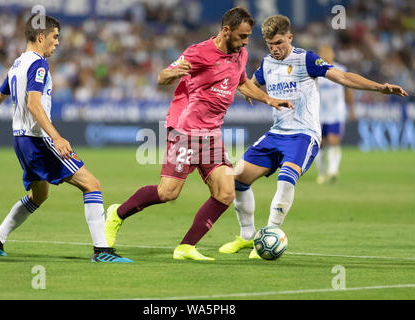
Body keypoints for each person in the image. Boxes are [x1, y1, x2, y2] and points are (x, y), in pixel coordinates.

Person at [105, 7, 294, 261]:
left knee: (225, 192)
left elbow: (241, 82)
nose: (245, 41)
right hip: (185, 129)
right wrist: (173, 72)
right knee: (168, 193)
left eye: (248, 36)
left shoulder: (240, 53)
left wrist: (268, 99)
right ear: (226, 30)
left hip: (211, 132)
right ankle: (117, 214)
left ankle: (185, 247)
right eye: (241, 36)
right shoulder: (199, 52)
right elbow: (162, 77)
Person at [219, 15, 408, 258]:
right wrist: (250, 93)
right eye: (270, 44)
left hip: (303, 135)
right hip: (276, 133)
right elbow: (251, 83)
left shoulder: (306, 59)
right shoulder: (267, 63)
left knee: (286, 178)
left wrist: (380, 87)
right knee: (238, 178)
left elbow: (343, 77)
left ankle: (271, 232)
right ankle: (247, 237)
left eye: (278, 42)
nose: (275, 49)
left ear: (290, 37)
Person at [0, 15, 131, 263]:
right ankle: (102, 251)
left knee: (39, 195)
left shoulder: (17, 65)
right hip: (39, 140)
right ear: (41, 36)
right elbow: (34, 104)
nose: (57, 43)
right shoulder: (38, 64)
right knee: (92, 184)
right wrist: (57, 137)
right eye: (55, 37)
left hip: (20, 141)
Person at [315, 44, 355, 184]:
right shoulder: (315, 71)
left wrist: (351, 110)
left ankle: (333, 170)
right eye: (323, 53)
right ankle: (322, 173)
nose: (326, 55)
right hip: (319, 114)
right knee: (320, 144)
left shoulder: (341, 70)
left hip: (336, 113)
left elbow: (348, 91)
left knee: (333, 140)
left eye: (328, 52)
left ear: (332, 54)